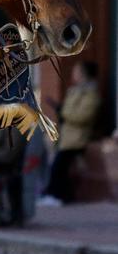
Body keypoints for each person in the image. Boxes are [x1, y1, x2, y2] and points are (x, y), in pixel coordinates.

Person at [41, 60, 102, 204]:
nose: (74, 74)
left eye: (77, 71)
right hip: (66, 136)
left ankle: (57, 196)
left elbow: (83, 116)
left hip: (77, 138)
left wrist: (63, 112)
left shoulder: (91, 94)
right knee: (58, 167)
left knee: (59, 167)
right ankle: (57, 194)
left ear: (84, 74)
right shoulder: (75, 90)